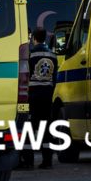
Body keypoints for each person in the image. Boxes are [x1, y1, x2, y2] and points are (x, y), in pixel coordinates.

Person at [20, 27, 58, 169]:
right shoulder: (53, 56)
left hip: (32, 96)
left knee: (28, 127)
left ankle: (28, 162)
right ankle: (47, 161)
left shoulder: (30, 55)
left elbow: (25, 76)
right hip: (47, 95)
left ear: (34, 38)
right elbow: (55, 78)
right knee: (46, 127)